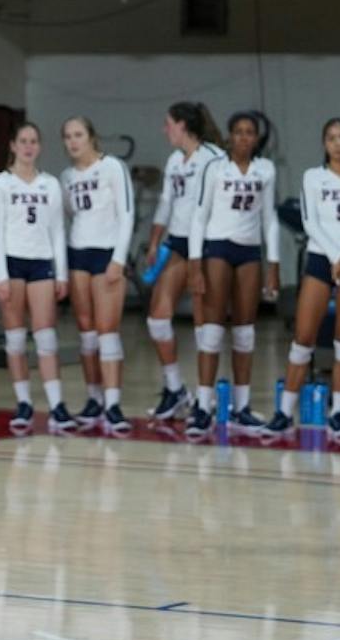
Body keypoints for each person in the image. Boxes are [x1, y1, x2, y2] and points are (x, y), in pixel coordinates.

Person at [265, 119, 340, 439]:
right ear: (324, 144)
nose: (338, 143)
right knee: (303, 337)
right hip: (320, 259)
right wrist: (333, 255)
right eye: (331, 138)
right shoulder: (313, 177)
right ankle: (284, 412)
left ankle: (338, 413)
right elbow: (309, 221)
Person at [186, 113, 279, 435]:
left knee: (245, 331)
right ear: (229, 136)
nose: (243, 137)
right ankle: (202, 406)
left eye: (249, 132)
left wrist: (275, 265)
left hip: (249, 250)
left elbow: (269, 219)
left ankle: (242, 407)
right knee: (212, 330)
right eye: (238, 131)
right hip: (217, 247)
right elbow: (199, 216)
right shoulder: (215, 168)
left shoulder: (265, 169)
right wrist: (195, 265)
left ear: (256, 138)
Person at [0, 123, 76, 432]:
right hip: (12, 264)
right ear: (13, 146)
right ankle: (23, 403)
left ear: (39, 147)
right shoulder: (1, 184)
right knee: (15, 339)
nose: (28, 147)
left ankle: (56, 405)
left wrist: (61, 273)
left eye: (34, 142)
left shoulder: (50, 184)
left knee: (46, 337)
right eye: (23, 141)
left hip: (41, 263)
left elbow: (57, 230)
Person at [142, 102, 224, 420]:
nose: (165, 130)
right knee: (157, 318)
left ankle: (207, 397)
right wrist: (153, 241)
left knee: (205, 324)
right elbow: (166, 202)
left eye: (168, 124)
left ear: (183, 126)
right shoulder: (175, 160)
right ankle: (175, 389)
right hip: (177, 243)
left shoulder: (214, 158)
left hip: (205, 246)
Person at [60, 116, 135, 433]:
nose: (73, 141)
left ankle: (114, 404)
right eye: (67, 137)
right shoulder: (65, 176)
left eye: (78, 135)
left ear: (91, 137)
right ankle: (94, 398)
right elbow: (66, 216)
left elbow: (127, 213)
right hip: (78, 253)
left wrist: (118, 259)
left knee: (107, 332)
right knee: (87, 331)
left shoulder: (113, 167)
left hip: (107, 254)